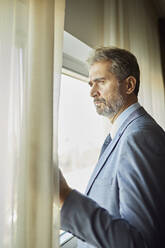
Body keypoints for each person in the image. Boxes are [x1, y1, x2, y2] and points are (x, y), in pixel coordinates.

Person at [59, 47, 165, 248]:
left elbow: (140, 242)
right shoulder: (123, 134)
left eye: (100, 82)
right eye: (91, 84)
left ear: (129, 85)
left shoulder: (139, 137)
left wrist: (64, 195)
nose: (92, 92)